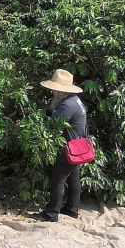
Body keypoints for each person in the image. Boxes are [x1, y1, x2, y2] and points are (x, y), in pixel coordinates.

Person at [38, 68, 87, 222]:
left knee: (57, 179)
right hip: (78, 146)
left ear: (60, 90)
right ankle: (72, 209)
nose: (52, 91)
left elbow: (54, 125)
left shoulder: (66, 105)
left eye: (54, 89)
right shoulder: (74, 101)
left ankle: (51, 213)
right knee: (73, 178)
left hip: (69, 148)